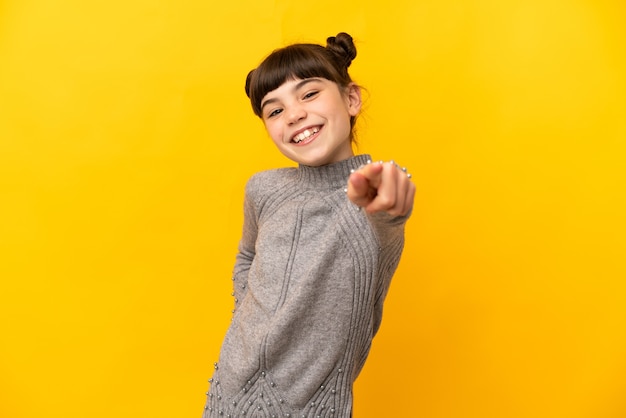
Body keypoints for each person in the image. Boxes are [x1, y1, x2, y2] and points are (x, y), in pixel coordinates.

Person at [202, 32, 415, 418]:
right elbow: (247, 254)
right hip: (228, 395)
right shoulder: (263, 188)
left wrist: (389, 204)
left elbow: (386, 221)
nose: (294, 114)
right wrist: (247, 325)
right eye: (274, 110)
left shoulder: (368, 196)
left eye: (309, 94)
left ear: (351, 99)